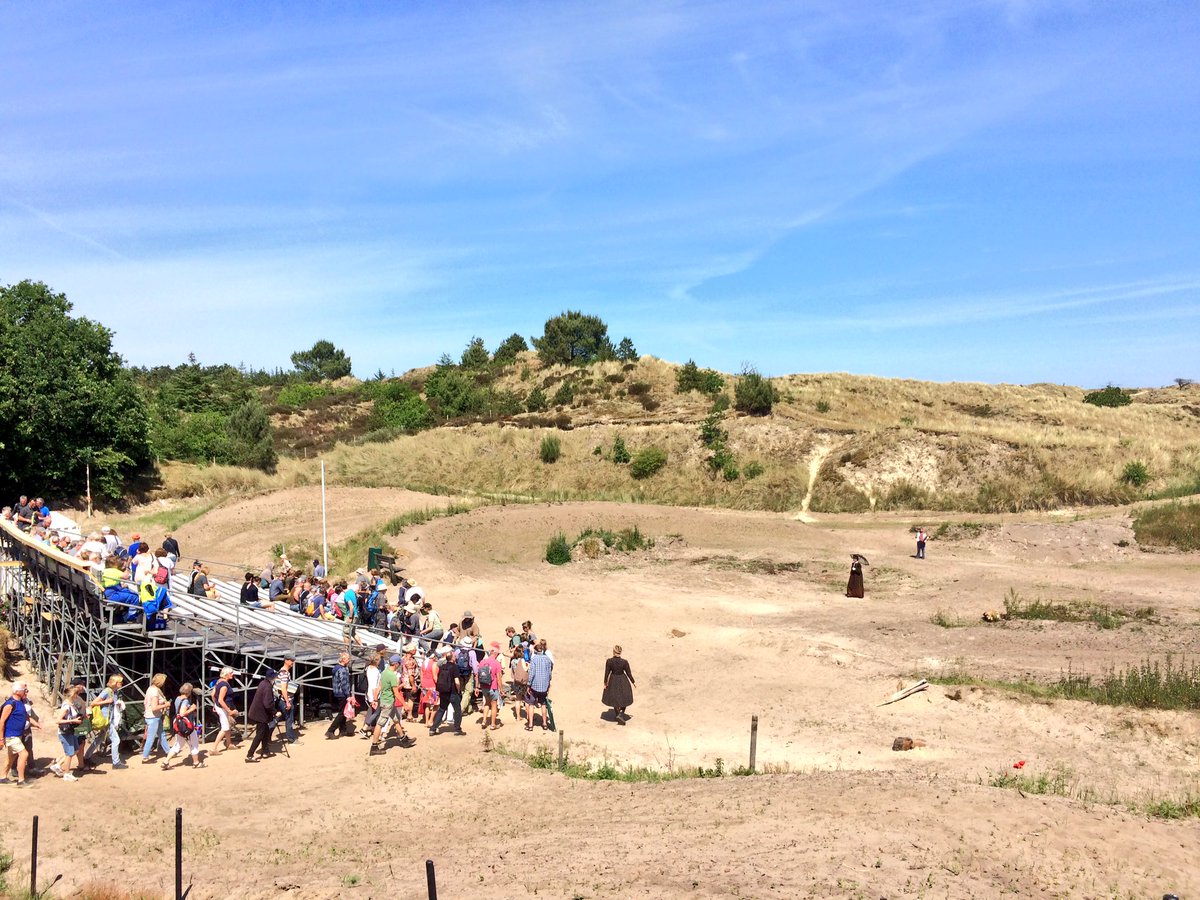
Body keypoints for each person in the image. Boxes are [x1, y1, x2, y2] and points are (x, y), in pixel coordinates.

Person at [370, 655, 415, 752]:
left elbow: (379, 687)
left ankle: (403, 739)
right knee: (380, 723)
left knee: (396, 720)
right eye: (399, 664)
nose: (399, 666)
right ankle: (374, 746)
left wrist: (375, 698)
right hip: (388, 702)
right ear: (396, 664)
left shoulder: (384, 672)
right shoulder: (392, 675)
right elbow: (396, 692)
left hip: (385, 701)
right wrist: (405, 704)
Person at [90, 674, 128, 768]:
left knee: (99, 738)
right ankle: (116, 762)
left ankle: (86, 756)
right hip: (105, 719)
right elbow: (94, 703)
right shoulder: (107, 691)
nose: (122, 683)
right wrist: (106, 702)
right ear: (115, 683)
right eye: (120, 682)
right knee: (116, 740)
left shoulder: (114, 692)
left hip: (108, 719)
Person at [161, 683, 202, 770]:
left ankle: (166, 761)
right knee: (194, 743)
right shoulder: (185, 700)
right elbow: (182, 713)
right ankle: (196, 762)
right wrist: (192, 708)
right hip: (186, 725)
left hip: (179, 725)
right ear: (189, 692)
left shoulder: (177, 698)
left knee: (178, 745)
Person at [51, 683, 86, 781]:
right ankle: (66, 773)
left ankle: (58, 765)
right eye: (76, 694)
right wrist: (73, 721)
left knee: (75, 750)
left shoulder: (71, 704)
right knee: (69, 753)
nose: (77, 696)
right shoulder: (66, 706)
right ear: (72, 695)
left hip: (71, 731)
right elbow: (58, 720)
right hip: (65, 732)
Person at [1, 682, 33, 786]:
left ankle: (3, 777)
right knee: (24, 754)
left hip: (18, 734)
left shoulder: (21, 702)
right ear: (17, 691)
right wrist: (1, 739)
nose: (26, 692)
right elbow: (1, 722)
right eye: (25, 690)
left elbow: (26, 717)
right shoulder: (10, 704)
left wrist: (37, 724)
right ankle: (21, 780)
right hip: (11, 735)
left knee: (12, 757)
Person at [429, 648, 465, 737]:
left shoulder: (442, 666)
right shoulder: (454, 667)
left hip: (443, 691)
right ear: (452, 658)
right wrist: (459, 690)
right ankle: (457, 729)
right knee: (457, 710)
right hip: (452, 692)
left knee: (441, 709)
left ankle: (433, 729)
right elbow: (457, 681)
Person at [245, 670, 277, 762]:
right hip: (260, 715)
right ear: (272, 678)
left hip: (258, 713)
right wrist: (275, 712)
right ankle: (249, 755)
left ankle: (265, 751)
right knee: (260, 734)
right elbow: (268, 704)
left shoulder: (263, 683)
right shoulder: (267, 686)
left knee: (266, 732)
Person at [141, 673, 172, 762]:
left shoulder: (150, 688)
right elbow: (154, 708)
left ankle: (169, 752)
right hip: (153, 717)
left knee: (162, 734)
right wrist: (165, 704)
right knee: (151, 737)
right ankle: (145, 757)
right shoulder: (154, 692)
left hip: (152, 716)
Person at [602, 645, 636, 725]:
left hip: (613, 680)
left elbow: (606, 673)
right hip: (623, 680)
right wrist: (633, 682)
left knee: (614, 698)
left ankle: (618, 715)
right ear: (620, 652)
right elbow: (628, 673)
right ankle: (620, 714)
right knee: (625, 697)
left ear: (613, 651)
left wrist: (605, 682)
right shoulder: (624, 662)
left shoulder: (609, 661)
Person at [210, 667, 239, 756]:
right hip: (223, 708)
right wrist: (229, 710)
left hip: (220, 707)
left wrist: (215, 704)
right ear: (226, 674)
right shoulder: (224, 685)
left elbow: (213, 694)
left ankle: (229, 744)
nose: (232, 674)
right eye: (231, 673)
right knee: (225, 728)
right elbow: (221, 699)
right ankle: (213, 748)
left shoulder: (219, 681)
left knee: (227, 726)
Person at [525, 639, 553, 731]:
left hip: (534, 686)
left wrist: (528, 685)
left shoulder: (534, 660)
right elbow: (549, 674)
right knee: (544, 704)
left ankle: (530, 725)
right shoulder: (547, 659)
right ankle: (544, 724)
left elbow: (531, 673)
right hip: (544, 686)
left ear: (536, 651)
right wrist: (548, 684)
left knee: (531, 704)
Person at [325, 652, 354, 738]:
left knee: (343, 712)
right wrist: (348, 695)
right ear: (344, 659)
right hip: (342, 693)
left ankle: (343, 730)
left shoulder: (336, 668)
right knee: (342, 713)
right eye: (348, 659)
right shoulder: (342, 669)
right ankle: (330, 730)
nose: (349, 660)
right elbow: (344, 683)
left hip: (338, 692)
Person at [477, 642, 504, 730]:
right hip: (493, 687)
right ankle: (492, 724)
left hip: (484, 687)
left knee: (486, 703)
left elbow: (477, 675)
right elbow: (499, 678)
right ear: (495, 653)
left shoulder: (482, 662)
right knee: (494, 705)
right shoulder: (496, 663)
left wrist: (477, 687)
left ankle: (484, 721)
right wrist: (501, 689)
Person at [275, 655, 297, 743]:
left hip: (282, 699)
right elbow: (283, 688)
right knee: (289, 719)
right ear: (286, 661)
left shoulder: (283, 671)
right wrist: (287, 701)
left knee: (276, 718)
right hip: (285, 700)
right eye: (291, 661)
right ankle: (291, 739)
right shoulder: (284, 673)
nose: (293, 662)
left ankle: (267, 737)